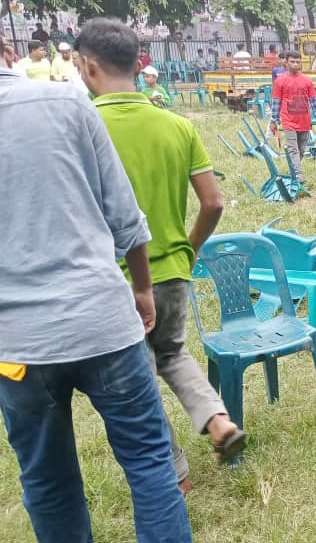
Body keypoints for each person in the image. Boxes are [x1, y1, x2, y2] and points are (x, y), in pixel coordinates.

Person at [0, 29, 192, 543]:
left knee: (46, 479)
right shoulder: (63, 99)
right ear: (8, 51)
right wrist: (144, 289)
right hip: (102, 321)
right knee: (150, 461)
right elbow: (126, 217)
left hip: (16, 345)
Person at [76, 18, 244, 496]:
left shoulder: (84, 125)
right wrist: (187, 251)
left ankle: (175, 476)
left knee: (137, 382)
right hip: (173, 270)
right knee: (172, 354)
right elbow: (213, 202)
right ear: (139, 65)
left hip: (116, 279)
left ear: (88, 67)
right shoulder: (177, 125)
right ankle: (217, 421)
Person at [270, 50, 316, 184]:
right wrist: (273, 120)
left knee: (301, 149)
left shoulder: (307, 80)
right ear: (286, 63)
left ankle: (293, 170)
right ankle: (298, 176)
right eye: (292, 62)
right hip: (288, 120)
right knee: (293, 148)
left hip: (305, 120)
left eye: (297, 62)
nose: (295, 64)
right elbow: (276, 101)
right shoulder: (280, 81)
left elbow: (314, 100)